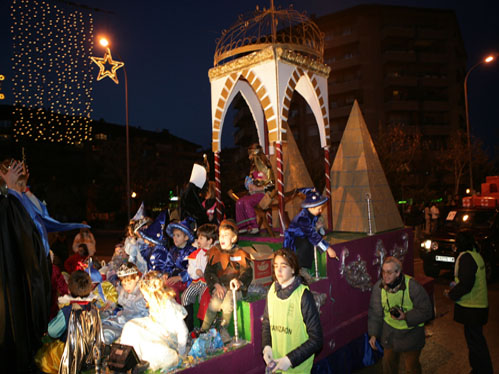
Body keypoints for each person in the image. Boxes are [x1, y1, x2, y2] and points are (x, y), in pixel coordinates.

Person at [0, 159, 52, 372]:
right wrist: (11, 189)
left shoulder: (19, 199)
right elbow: (13, 227)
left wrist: (19, 188)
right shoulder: (6, 203)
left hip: (25, 278)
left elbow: (34, 230)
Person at [261, 248, 323, 373]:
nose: (278, 270)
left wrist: (290, 360)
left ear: (293, 269)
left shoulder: (303, 296)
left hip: (297, 370)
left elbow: (316, 340)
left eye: (283, 266)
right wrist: (267, 347)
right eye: (276, 266)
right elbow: (267, 322)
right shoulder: (272, 290)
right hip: (276, 368)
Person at [368, 256, 433, 374]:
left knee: (412, 368)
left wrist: (406, 316)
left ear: (398, 273)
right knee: (388, 365)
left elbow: (427, 311)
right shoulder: (379, 287)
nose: (385, 275)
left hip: (412, 334)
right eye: (383, 271)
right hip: (390, 333)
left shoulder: (412, 286)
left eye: (389, 272)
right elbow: (375, 312)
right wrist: (373, 334)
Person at [120, 270, 189, 371]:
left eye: (145, 294)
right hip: (157, 332)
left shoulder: (169, 306)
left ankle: (141, 361)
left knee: (151, 348)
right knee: (131, 326)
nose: (144, 297)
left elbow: (183, 331)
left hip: (169, 343)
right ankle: (129, 358)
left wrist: (181, 353)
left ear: (154, 293)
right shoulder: (153, 303)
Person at [445, 231, 493, 374]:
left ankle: (483, 370)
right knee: (475, 341)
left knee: (476, 343)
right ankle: (478, 369)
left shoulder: (466, 258)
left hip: (472, 308)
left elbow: (466, 284)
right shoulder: (475, 255)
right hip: (478, 306)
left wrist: (451, 294)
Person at [201, 219, 253, 344]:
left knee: (227, 303)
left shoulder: (240, 253)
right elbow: (209, 272)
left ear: (234, 238)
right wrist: (216, 284)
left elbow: (247, 272)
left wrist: (239, 281)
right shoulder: (215, 252)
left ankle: (223, 328)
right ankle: (204, 329)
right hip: (220, 286)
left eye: (225, 235)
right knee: (214, 303)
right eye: (220, 235)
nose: (222, 238)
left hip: (235, 288)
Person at [283, 188, 337, 273]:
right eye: (319, 209)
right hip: (295, 237)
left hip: (306, 235)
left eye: (321, 208)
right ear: (311, 208)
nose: (321, 210)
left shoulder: (314, 215)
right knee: (305, 245)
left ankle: (306, 269)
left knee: (311, 243)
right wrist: (328, 248)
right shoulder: (303, 218)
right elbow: (312, 235)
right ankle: (300, 269)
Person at [181, 223, 217, 331]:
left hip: (209, 283)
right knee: (185, 296)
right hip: (198, 281)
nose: (198, 240)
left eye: (201, 238)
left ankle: (204, 327)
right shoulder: (196, 255)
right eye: (198, 237)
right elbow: (191, 271)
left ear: (210, 241)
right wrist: (196, 272)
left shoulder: (216, 253)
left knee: (203, 297)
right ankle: (189, 327)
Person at [102, 262, 149, 344]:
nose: (127, 287)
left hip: (137, 322)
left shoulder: (142, 293)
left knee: (117, 332)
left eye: (129, 283)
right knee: (106, 324)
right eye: (124, 284)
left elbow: (146, 313)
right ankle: (103, 342)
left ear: (137, 278)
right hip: (124, 319)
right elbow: (121, 303)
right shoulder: (124, 290)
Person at [236, 143, 275, 234]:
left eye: (251, 155)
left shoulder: (266, 167)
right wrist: (249, 185)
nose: (249, 157)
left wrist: (259, 188)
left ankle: (254, 226)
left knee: (247, 202)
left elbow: (271, 184)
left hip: (264, 194)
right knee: (239, 202)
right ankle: (243, 226)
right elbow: (251, 181)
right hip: (254, 193)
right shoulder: (253, 168)